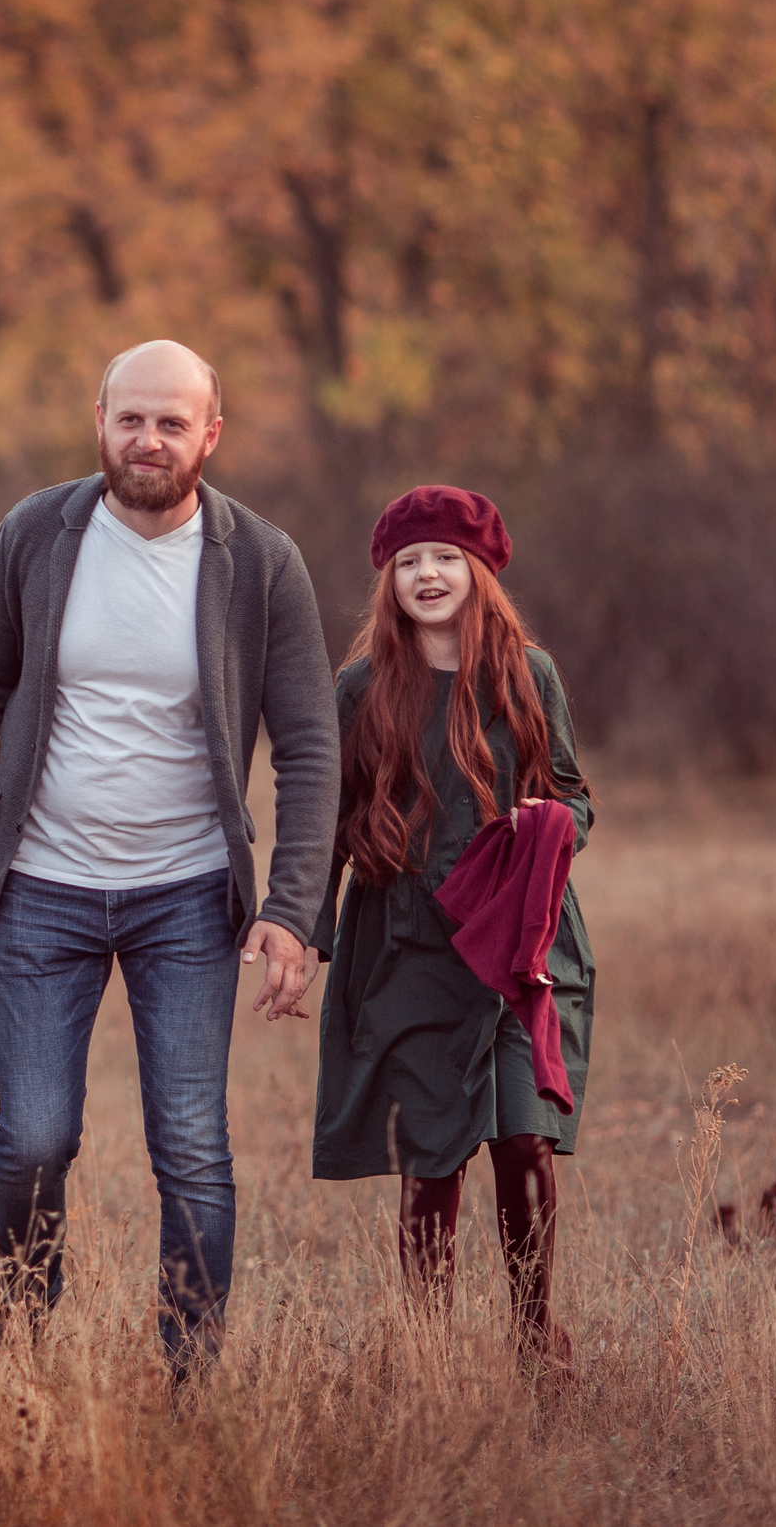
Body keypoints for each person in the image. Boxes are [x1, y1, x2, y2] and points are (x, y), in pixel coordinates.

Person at [0, 340, 339, 1376]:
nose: (147, 440)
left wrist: (292, 908)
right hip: (42, 886)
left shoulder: (259, 562)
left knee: (188, 1145)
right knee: (33, 1139)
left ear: (209, 436)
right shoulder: (38, 533)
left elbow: (311, 743)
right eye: (129, 418)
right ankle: (25, 1326)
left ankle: (188, 1373)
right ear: (99, 419)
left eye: (171, 423)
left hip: (187, 896)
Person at [311, 486, 596, 1370]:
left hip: (518, 944)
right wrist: (303, 933)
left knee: (523, 1137)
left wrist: (547, 829)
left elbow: (575, 794)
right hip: (408, 946)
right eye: (407, 562)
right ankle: (428, 1348)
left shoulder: (528, 673)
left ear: (479, 571)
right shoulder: (359, 689)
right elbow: (323, 822)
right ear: (387, 582)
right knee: (431, 1154)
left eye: (443, 557)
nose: (426, 574)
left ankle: (533, 1338)